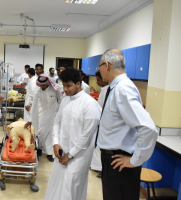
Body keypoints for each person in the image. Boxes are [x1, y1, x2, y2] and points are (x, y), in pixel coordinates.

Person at [97, 49, 158, 200]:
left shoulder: (123, 89)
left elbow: (148, 128)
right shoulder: (115, 87)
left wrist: (134, 160)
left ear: (107, 65)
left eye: (99, 66)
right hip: (112, 161)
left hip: (119, 163)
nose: (99, 70)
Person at [45, 68, 101, 200]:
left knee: (71, 189)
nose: (65, 89)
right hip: (62, 152)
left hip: (78, 157)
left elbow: (86, 137)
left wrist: (69, 155)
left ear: (78, 83)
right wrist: (55, 143)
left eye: (68, 85)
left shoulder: (90, 104)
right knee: (57, 186)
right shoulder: (65, 100)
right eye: (63, 85)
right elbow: (57, 123)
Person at [24, 74, 63, 162]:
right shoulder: (38, 91)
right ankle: (39, 148)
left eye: (44, 85)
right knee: (41, 132)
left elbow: (61, 101)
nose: (42, 86)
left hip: (54, 114)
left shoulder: (55, 89)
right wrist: (30, 120)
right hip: (43, 114)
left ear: (48, 83)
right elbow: (34, 106)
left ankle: (50, 153)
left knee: (51, 133)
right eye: (40, 85)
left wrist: (59, 112)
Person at [90, 70, 109, 177]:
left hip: (104, 123)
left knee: (100, 146)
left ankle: (102, 169)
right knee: (97, 145)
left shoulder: (108, 90)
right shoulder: (104, 90)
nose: (97, 82)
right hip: (101, 122)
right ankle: (97, 166)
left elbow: (102, 109)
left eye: (98, 80)